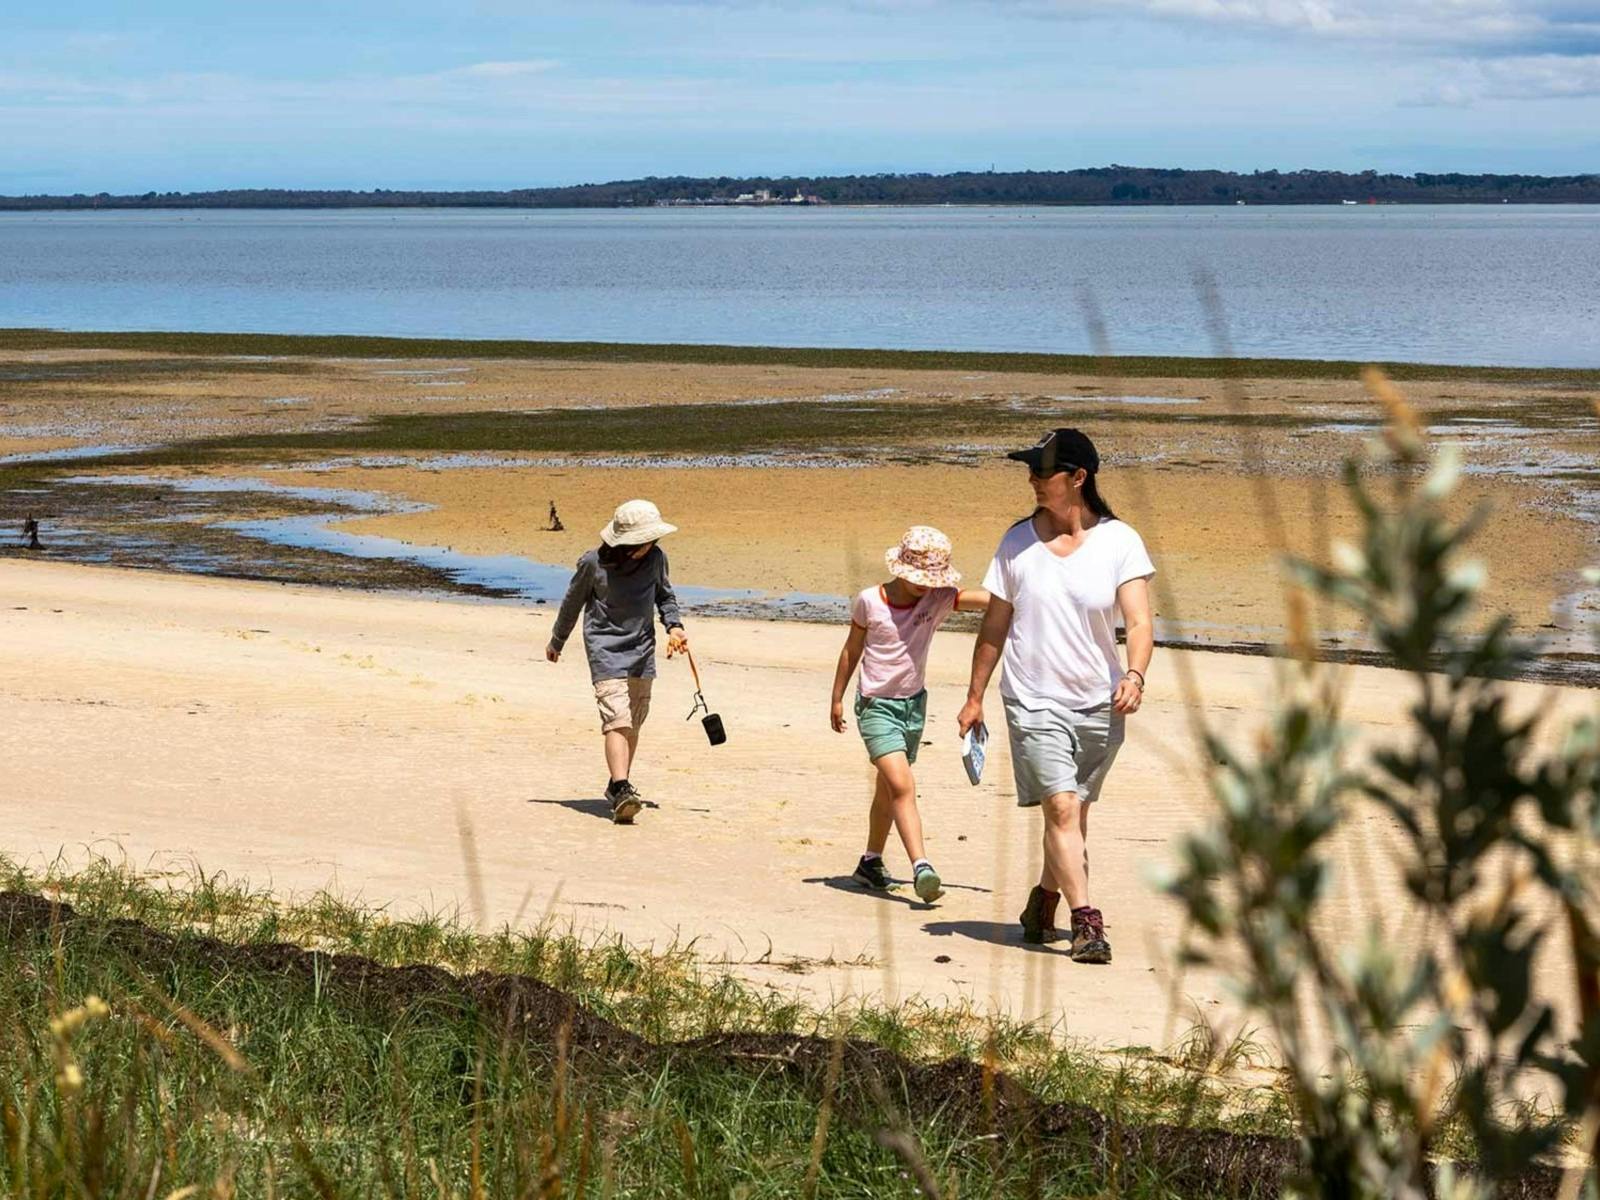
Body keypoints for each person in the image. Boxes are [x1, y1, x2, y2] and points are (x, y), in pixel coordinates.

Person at [957, 429, 1154, 964]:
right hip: (1032, 697)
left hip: (1099, 700)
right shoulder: (1017, 541)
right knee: (1063, 807)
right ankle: (1087, 923)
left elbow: (1138, 622)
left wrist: (1134, 676)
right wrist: (974, 697)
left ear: (1078, 478)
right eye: (1032, 471)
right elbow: (995, 626)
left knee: (1071, 813)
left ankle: (1043, 902)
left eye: (1044, 472)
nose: (1033, 480)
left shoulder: (1120, 541)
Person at [830, 526, 989, 903]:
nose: (925, 586)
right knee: (903, 785)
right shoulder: (869, 601)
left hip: (914, 706)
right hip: (874, 706)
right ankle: (922, 866)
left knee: (888, 790)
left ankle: (870, 863)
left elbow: (990, 601)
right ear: (900, 567)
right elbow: (851, 651)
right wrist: (836, 698)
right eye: (920, 578)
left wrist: (1028, 593)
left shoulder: (937, 600)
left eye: (932, 579)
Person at [547, 499, 688, 825]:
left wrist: (675, 626)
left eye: (652, 540)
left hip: (641, 650)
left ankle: (617, 784)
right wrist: (557, 640)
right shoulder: (592, 563)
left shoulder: (656, 559)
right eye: (644, 541)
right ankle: (623, 787)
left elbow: (665, 596)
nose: (650, 545)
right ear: (625, 542)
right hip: (605, 650)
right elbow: (571, 603)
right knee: (617, 719)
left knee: (634, 722)